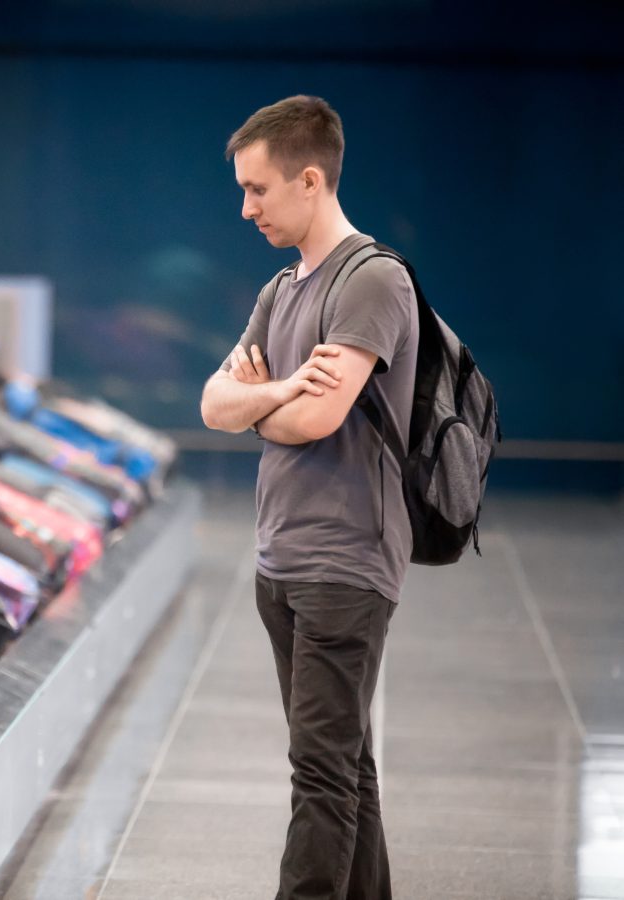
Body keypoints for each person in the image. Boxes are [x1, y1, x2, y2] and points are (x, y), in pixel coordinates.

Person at [200, 95, 418, 900]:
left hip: (344, 563)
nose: (246, 207)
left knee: (319, 776)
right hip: (281, 558)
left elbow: (321, 417)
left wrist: (266, 401)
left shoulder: (372, 282)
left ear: (311, 180)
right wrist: (280, 392)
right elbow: (211, 406)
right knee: (345, 765)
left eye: (258, 189)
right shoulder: (282, 288)